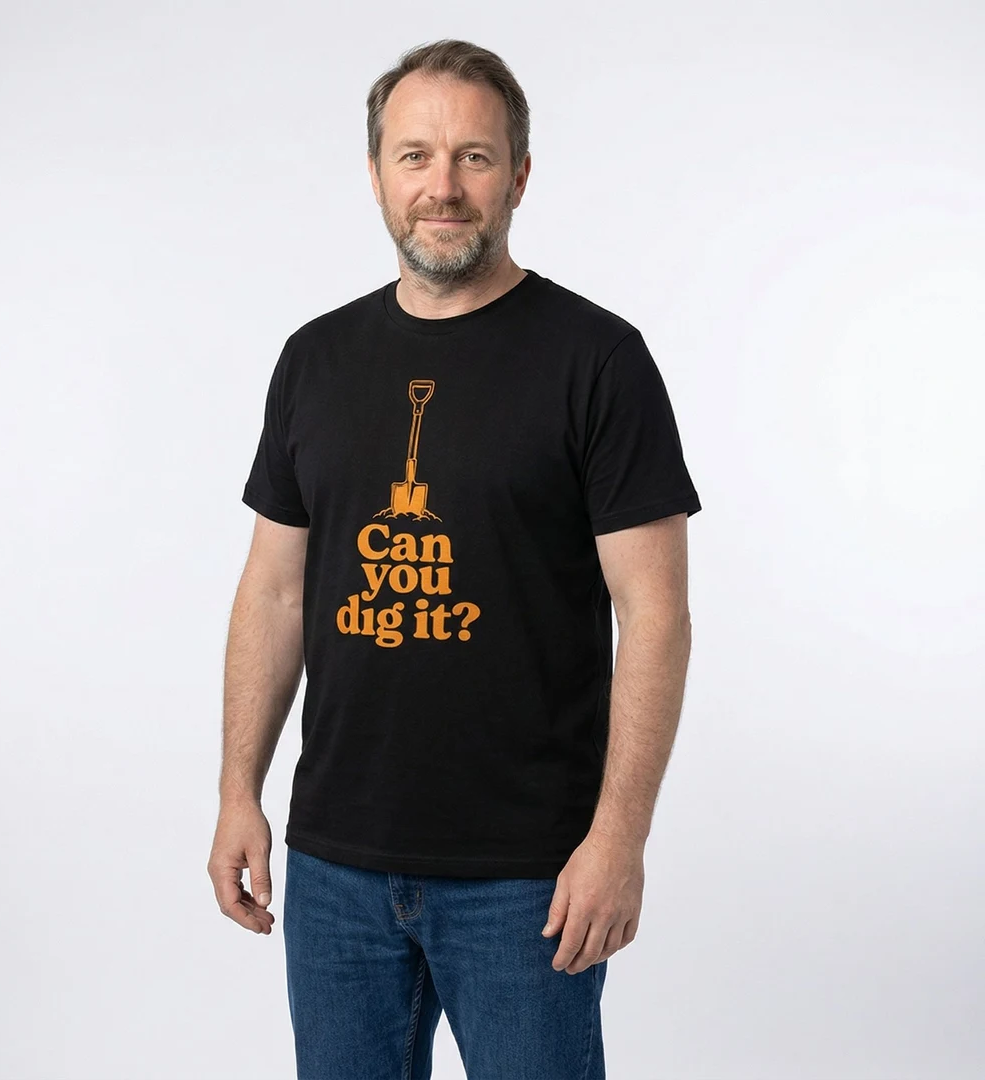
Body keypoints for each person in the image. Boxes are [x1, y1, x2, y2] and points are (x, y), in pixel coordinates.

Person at [207, 38, 701, 1080]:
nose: (443, 186)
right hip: (335, 867)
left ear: (518, 176)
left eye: (474, 157)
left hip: (527, 876)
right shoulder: (314, 359)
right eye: (415, 156)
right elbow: (275, 590)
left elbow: (654, 613)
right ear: (376, 174)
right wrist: (237, 789)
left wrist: (619, 839)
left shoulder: (597, 360)